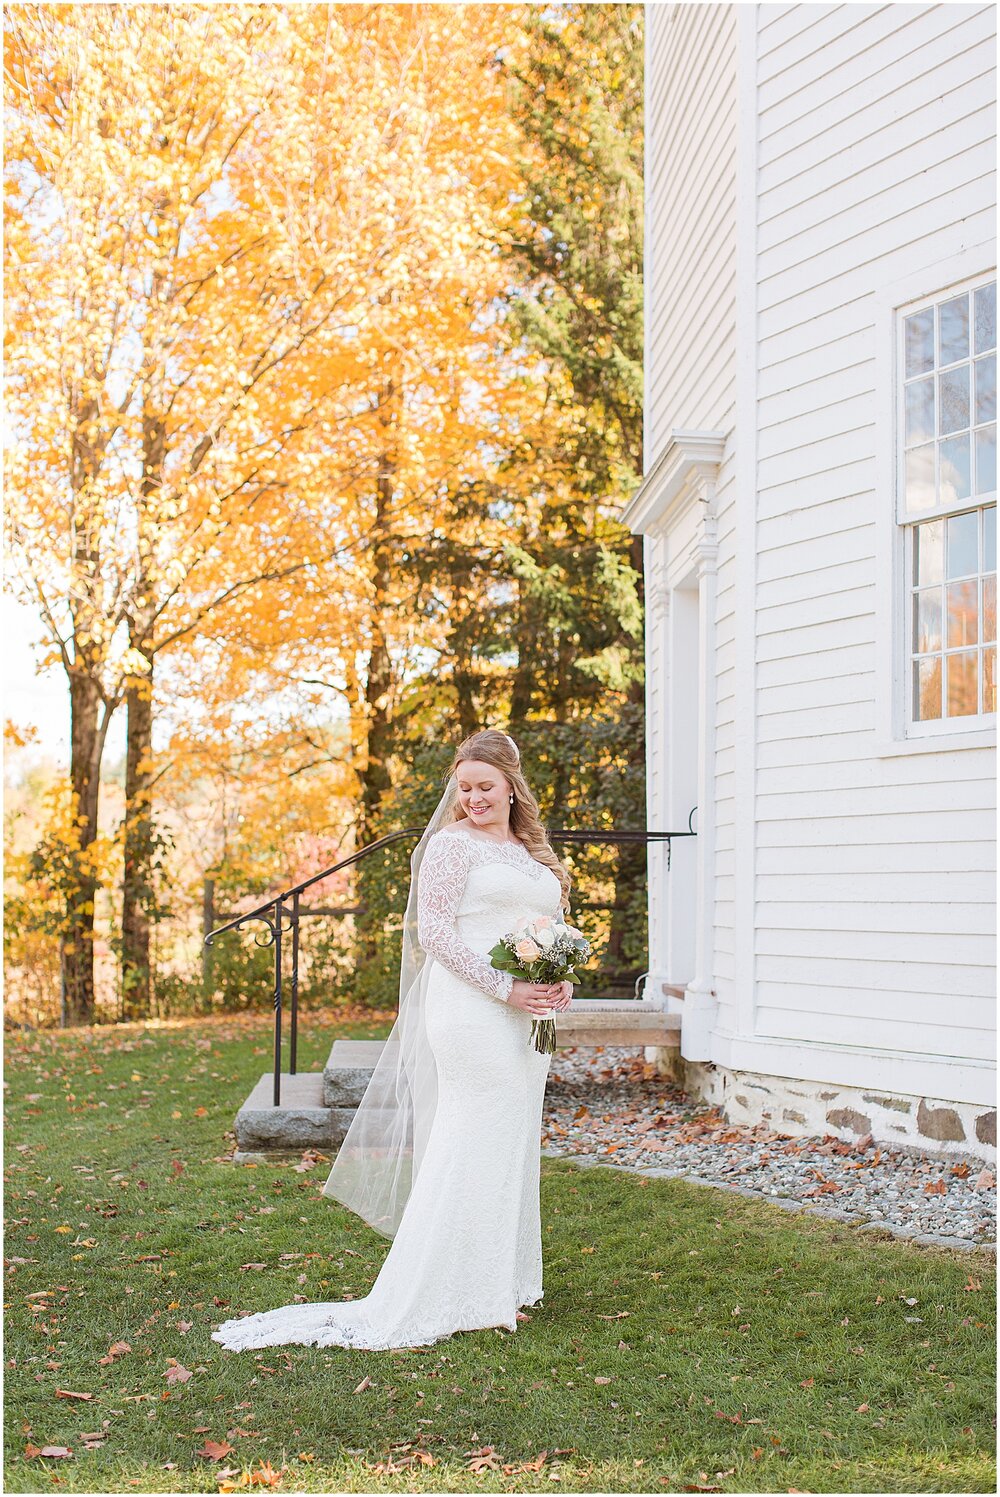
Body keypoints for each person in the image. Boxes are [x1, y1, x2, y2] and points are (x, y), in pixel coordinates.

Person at [211, 728, 574, 1352]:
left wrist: (556, 980)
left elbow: (552, 927)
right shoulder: (450, 847)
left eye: (484, 787)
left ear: (513, 787)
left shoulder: (530, 850)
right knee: (470, 1134)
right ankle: (439, 1287)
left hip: (525, 1013)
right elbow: (433, 933)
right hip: (470, 1007)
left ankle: (494, 1281)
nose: (472, 799)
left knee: (509, 1136)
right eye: (463, 788)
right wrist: (505, 987)